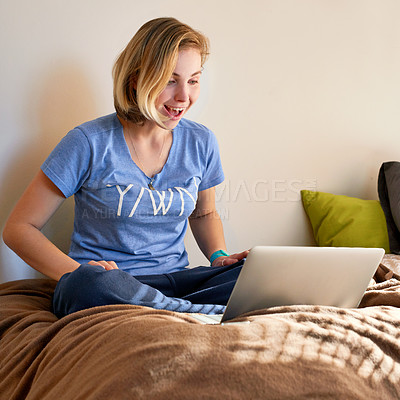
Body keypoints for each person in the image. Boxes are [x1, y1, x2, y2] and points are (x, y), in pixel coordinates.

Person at [3, 17, 248, 318]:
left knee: (252, 272)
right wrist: (76, 271)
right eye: (170, 80)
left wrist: (220, 256)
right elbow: (18, 229)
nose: (184, 97)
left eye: (193, 80)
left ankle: (185, 309)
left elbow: (204, 212)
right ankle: (197, 313)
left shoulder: (201, 141)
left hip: (176, 281)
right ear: (136, 78)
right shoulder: (88, 142)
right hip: (108, 286)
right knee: (83, 286)